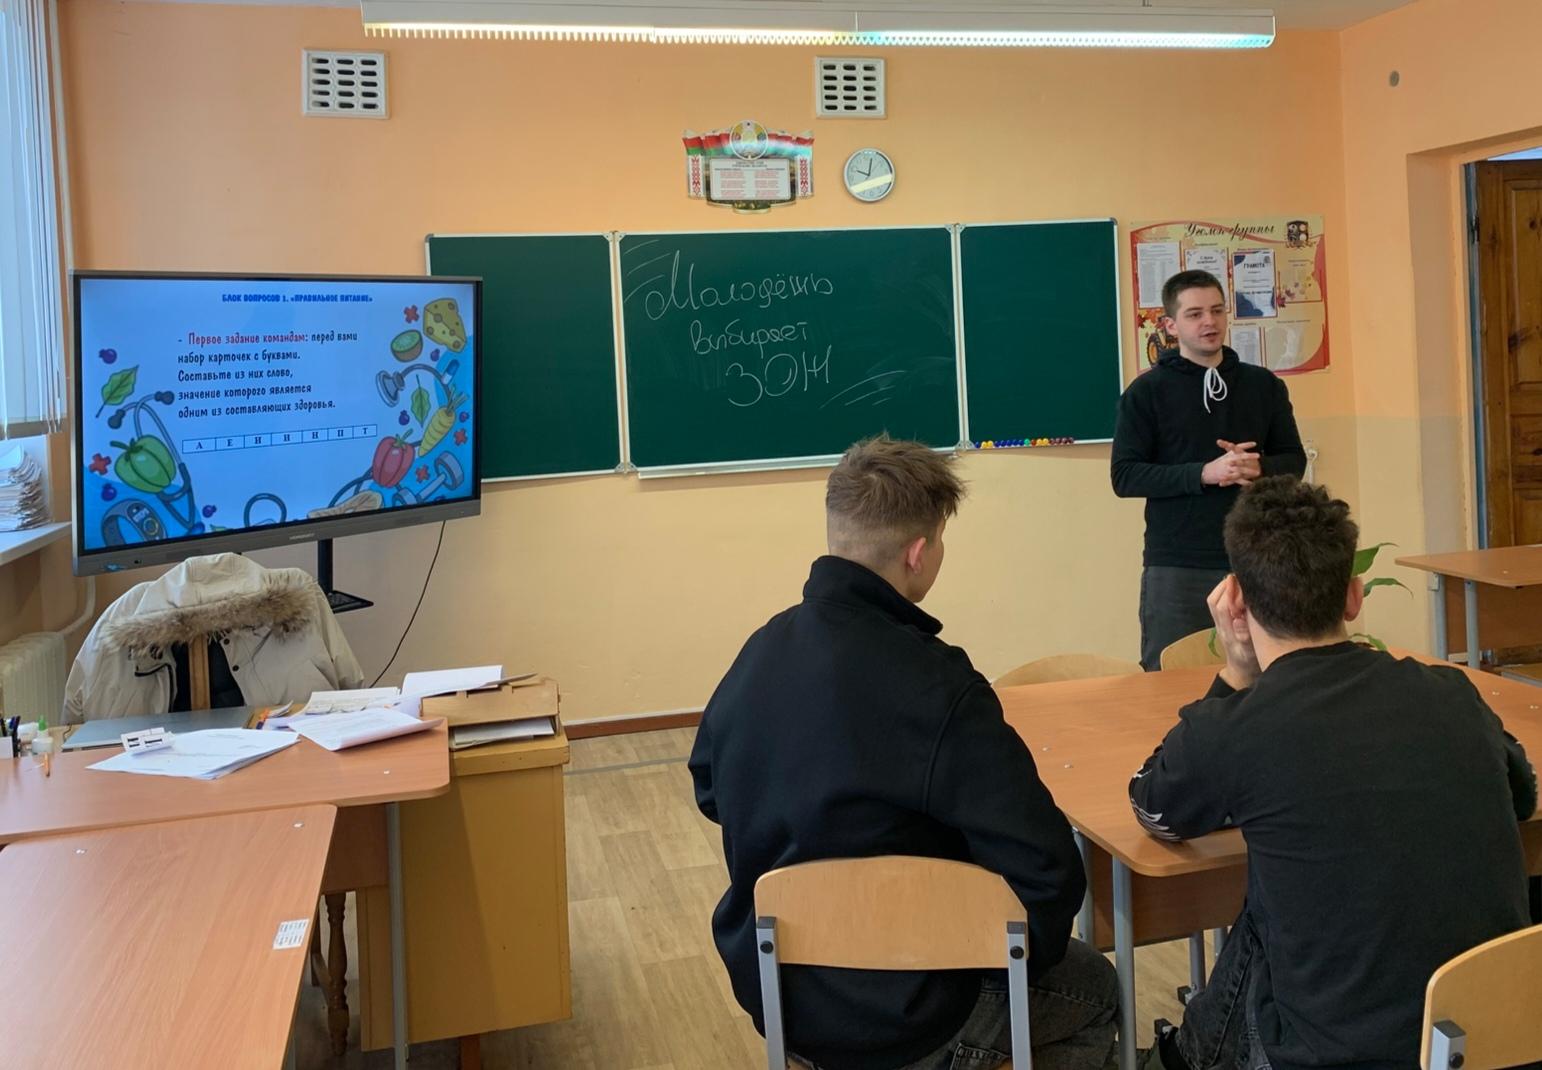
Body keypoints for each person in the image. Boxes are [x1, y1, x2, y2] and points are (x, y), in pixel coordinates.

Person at [689, 435, 1118, 1070]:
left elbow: (709, 789)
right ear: (918, 553)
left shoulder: (759, 652)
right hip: (913, 1012)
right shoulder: (939, 686)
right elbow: (1050, 871)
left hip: (780, 992)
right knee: (1097, 990)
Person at [1129, 476, 1537, 1070]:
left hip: (1329, 1053)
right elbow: (1522, 795)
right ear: (1353, 597)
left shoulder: (1237, 726)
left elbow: (1154, 808)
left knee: (1266, 915)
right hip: (1496, 1041)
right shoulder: (1450, 691)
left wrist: (1235, 673)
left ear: (1236, 602)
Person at [1111, 269, 1307, 671]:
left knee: (1268, 671)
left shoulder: (1263, 386)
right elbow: (1125, 475)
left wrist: (1259, 467)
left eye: (1217, 311)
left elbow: (1294, 460)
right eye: (1195, 314)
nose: (1209, 322)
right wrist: (1205, 473)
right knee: (1170, 674)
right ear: (1171, 325)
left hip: (1258, 555)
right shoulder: (1146, 393)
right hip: (1178, 562)